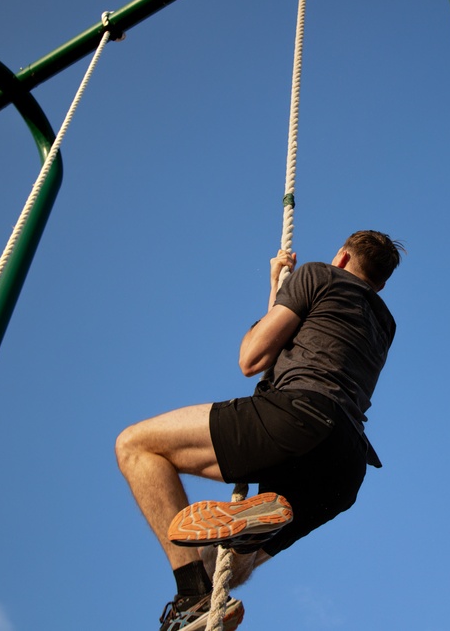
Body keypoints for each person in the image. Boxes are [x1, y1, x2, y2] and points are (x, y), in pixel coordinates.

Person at [116, 230, 403, 631]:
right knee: (221, 565)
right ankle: (229, 564)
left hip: (299, 420)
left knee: (135, 446)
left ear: (341, 257)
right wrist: (278, 291)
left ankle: (191, 597)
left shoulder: (319, 275)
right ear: (382, 283)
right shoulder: (384, 325)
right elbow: (290, 346)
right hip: (344, 468)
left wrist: (283, 285)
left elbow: (254, 358)